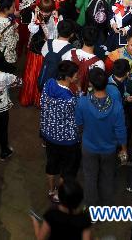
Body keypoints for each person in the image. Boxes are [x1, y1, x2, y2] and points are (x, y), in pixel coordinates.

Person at [75, 67, 126, 208]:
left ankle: (91, 208)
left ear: (90, 83)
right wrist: (124, 149)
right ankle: (106, 206)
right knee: (107, 177)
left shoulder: (83, 102)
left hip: (89, 147)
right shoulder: (116, 106)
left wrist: (82, 137)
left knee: (90, 178)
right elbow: (121, 130)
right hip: (109, 149)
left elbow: (79, 124)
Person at [40, 60, 81, 203]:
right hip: (67, 139)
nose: (77, 77)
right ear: (68, 77)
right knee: (67, 168)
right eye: (76, 75)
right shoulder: (70, 98)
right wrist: (80, 91)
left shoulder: (49, 83)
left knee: (51, 163)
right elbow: (79, 114)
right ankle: (60, 195)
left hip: (49, 134)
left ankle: (51, 190)